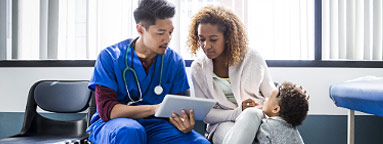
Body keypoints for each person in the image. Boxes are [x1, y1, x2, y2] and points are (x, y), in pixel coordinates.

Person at [86, 0, 210, 143]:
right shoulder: (110, 57)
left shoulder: (174, 61)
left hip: (156, 126)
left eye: (170, 32)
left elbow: (177, 107)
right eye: (160, 33)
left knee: (200, 142)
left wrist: (184, 123)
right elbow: (108, 111)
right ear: (140, 29)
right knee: (131, 131)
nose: (167, 39)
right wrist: (153, 109)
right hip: (113, 125)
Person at [187, 6, 276, 144]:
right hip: (221, 124)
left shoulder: (252, 58)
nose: (206, 46)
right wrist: (237, 112)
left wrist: (289, 97)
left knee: (251, 114)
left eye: (213, 39)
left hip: (257, 119)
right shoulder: (198, 68)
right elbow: (206, 114)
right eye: (202, 39)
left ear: (228, 37)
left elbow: (271, 96)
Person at [223, 81, 309, 144]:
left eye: (268, 98)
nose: (264, 99)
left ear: (275, 109)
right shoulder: (294, 131)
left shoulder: (267, 125)